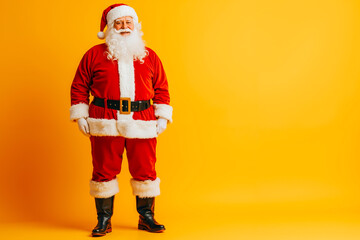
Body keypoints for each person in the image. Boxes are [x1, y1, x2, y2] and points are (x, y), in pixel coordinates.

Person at [69, 3, 172, 237]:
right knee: (103, 170)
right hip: (105, 119)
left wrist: (162, 115)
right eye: (119, 23)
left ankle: (146, 217)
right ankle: (104, 219)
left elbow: (162, 88)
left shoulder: (150, 56)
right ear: (110, 27)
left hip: (142, 119)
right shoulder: (93, 55)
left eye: (128, 22)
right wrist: (81, 115)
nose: (124, 27)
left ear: (135, 26)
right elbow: (79, 86)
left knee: (146, 170)